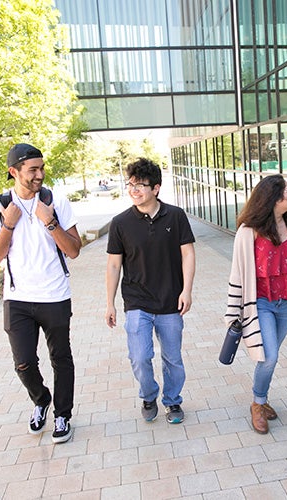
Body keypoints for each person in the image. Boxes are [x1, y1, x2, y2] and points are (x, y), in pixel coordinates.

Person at [0, 143, 82, 443]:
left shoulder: (56, 201)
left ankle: (62, 414)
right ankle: (41, 400)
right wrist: (8, 225)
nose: (39, 175)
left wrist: (49, 221)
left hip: (54, 295)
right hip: (18, 299)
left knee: (60, 358)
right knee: (23, 363)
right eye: (32, 170)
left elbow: (74, 250)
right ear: (14, 172)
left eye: (41, 168)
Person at [225, 174, 287, 434]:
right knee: (269, 356)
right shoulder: (249, 231)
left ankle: (262, 398)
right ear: (274, 196)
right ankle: (257, 404)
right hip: (262, 303)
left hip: (286, 302)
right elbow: (237, 272)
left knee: (270, 357)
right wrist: (234, 311)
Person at [105, 158, 195, 424]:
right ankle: (148, 394)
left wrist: (186, 291)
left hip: (170, 301)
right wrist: (109, 303)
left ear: (156, 188)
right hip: (136, 301)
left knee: (173, 359)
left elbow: (188, 254)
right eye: (130, 184)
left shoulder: (176, 216)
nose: (134, 190)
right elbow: (113, 265)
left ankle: (173, 401)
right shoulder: (120, 223)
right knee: (140, 357)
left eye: (140, 185)